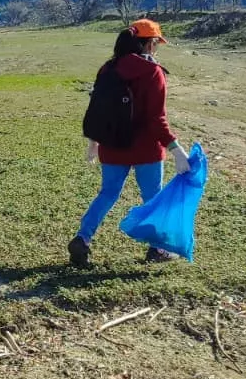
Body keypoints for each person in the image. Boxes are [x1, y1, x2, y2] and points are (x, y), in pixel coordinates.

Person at [69, 19, 192, 268]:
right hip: (146, 149)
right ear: (149, 43)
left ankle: (82, 238)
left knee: (108, 193)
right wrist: (177, 150)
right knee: (152, 198)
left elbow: (98, 110)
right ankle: (157, 248)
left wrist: (94, 142)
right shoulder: (152, 72)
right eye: (157, 43)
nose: (157, 48)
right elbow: (156, 119)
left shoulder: (107, 68)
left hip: (112, 145)